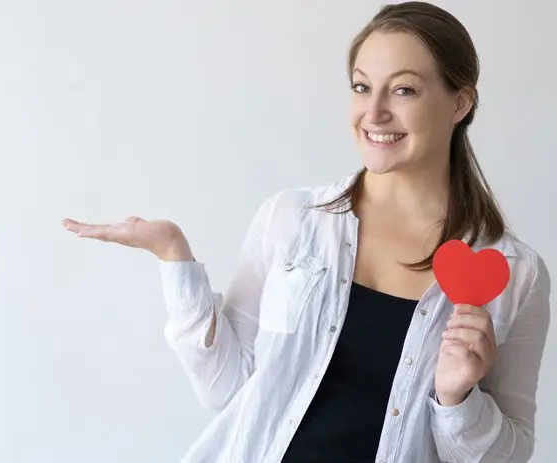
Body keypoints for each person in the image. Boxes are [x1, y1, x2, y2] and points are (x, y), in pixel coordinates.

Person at [62, 2, 551, 462]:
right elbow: (227, 388)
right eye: (362, 86)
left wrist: (458, 399)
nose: (374, 111)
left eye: (404, 90)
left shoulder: (514, 274)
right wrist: (175, 256)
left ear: (460, 102)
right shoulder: (292, 219)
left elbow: (513, 450)